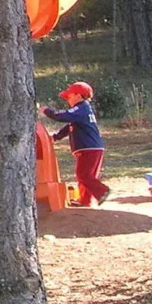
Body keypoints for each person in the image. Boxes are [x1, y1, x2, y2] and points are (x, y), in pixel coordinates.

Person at [43, 80, 111, 208]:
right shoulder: (82, 111)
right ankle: (85, 201)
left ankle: (102, 191)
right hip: (91, 147)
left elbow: (63, 116)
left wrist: (47, 111)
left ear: (78, 96)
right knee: (85, 175)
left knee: (83, 175)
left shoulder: (81, 109)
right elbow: (69, 126)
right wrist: (56, 137)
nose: (67, 100)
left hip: (89, 148)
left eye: (69, 96)